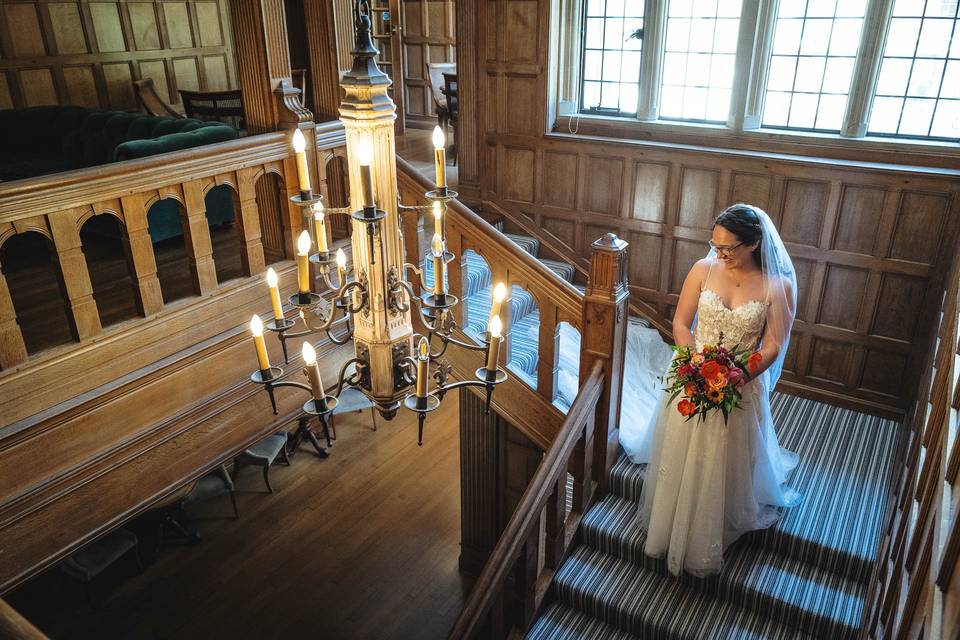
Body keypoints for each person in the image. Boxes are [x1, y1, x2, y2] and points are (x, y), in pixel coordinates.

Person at [619, 203, 802, 578]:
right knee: (683, 445)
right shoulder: (702, 270)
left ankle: (715, 519)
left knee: (726, 453)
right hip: (692, 372)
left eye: (728, 248)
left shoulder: (777, 286)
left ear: (753, 243)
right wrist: (695, 363)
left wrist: (739, 375)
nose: (719, 253)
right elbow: (682, 323)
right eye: (715, 244)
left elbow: (771, 346)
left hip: (739, 383)